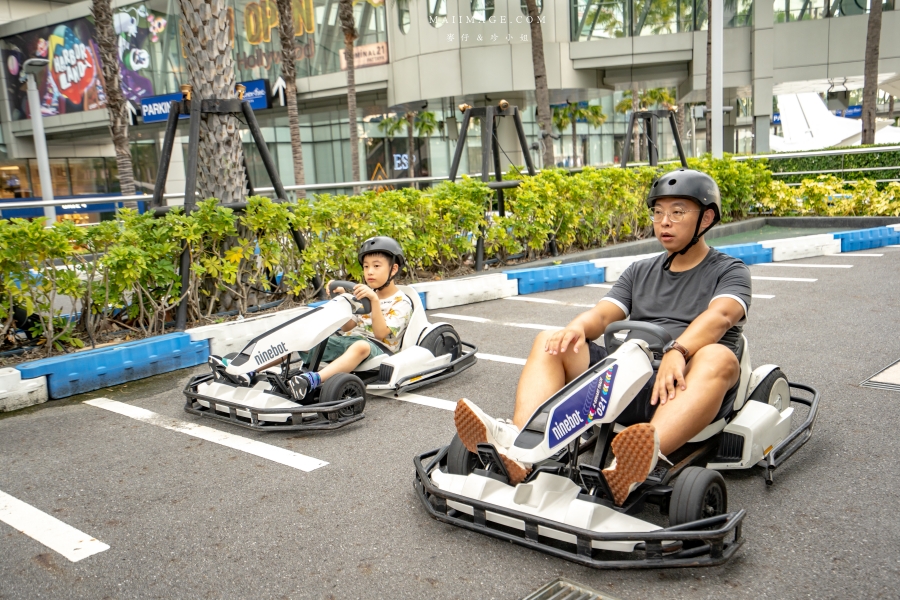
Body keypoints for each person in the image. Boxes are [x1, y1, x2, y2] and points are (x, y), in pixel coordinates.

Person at [453, 168, 752, 505]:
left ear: (707, 217)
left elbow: (721, 316)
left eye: (678, 212)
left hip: (686, 384)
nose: (664, 222)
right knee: (551, 340)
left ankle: (634, 462)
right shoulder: (641, 270)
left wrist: (678, 351)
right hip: (631, 377)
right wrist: (576, 329)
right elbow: (601, 315)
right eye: (658, 212)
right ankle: (521, 448)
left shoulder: (730, 270)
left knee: (718, 355)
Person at [288, 236, 413, 399]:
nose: (369, 271)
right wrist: (342, 300)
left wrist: (374, 301)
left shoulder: (401, 302)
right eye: (366, 266)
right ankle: (251, 371)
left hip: (379, 348)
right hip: (349, 341)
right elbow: (348, 327)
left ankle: (312, 380)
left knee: (361, 345)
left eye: (376, 266)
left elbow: (381, 334)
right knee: (302, 336)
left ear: (393, 269)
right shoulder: (366, 295)